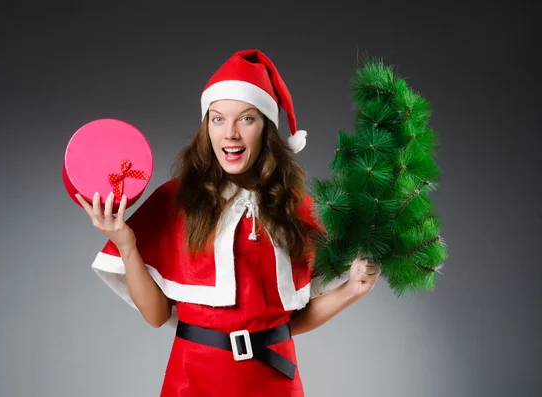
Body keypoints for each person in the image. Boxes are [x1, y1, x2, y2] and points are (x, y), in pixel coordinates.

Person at [75, 49, 381, 396]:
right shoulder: (176, 200)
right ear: (207, 127)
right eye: (218, 119)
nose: (230, 134)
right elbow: (157, 316)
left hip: (274, 383)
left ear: (266, 127)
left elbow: (290, 322)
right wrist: (127, 245)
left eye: (246, 119)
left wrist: (352, 291)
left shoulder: (297, 208)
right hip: (192, 382)